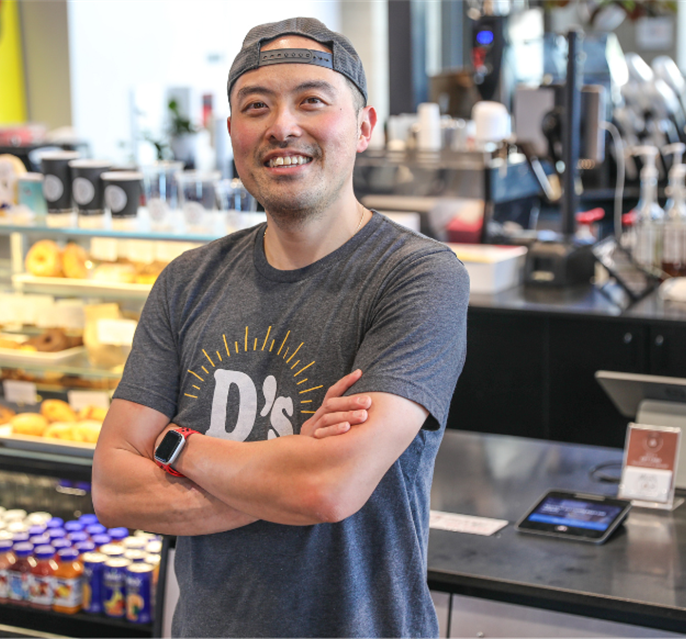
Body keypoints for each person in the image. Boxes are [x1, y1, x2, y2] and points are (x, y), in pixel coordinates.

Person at [92, 17, 469, 637]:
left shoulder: (418, 277)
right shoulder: (187, 280)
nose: (282, 126)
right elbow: (113, 488)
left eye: (312, 101)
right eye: (256, 106)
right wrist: (285, 467)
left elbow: (327, 488)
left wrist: (175, 446)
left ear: (364, 127)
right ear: (233, 131)